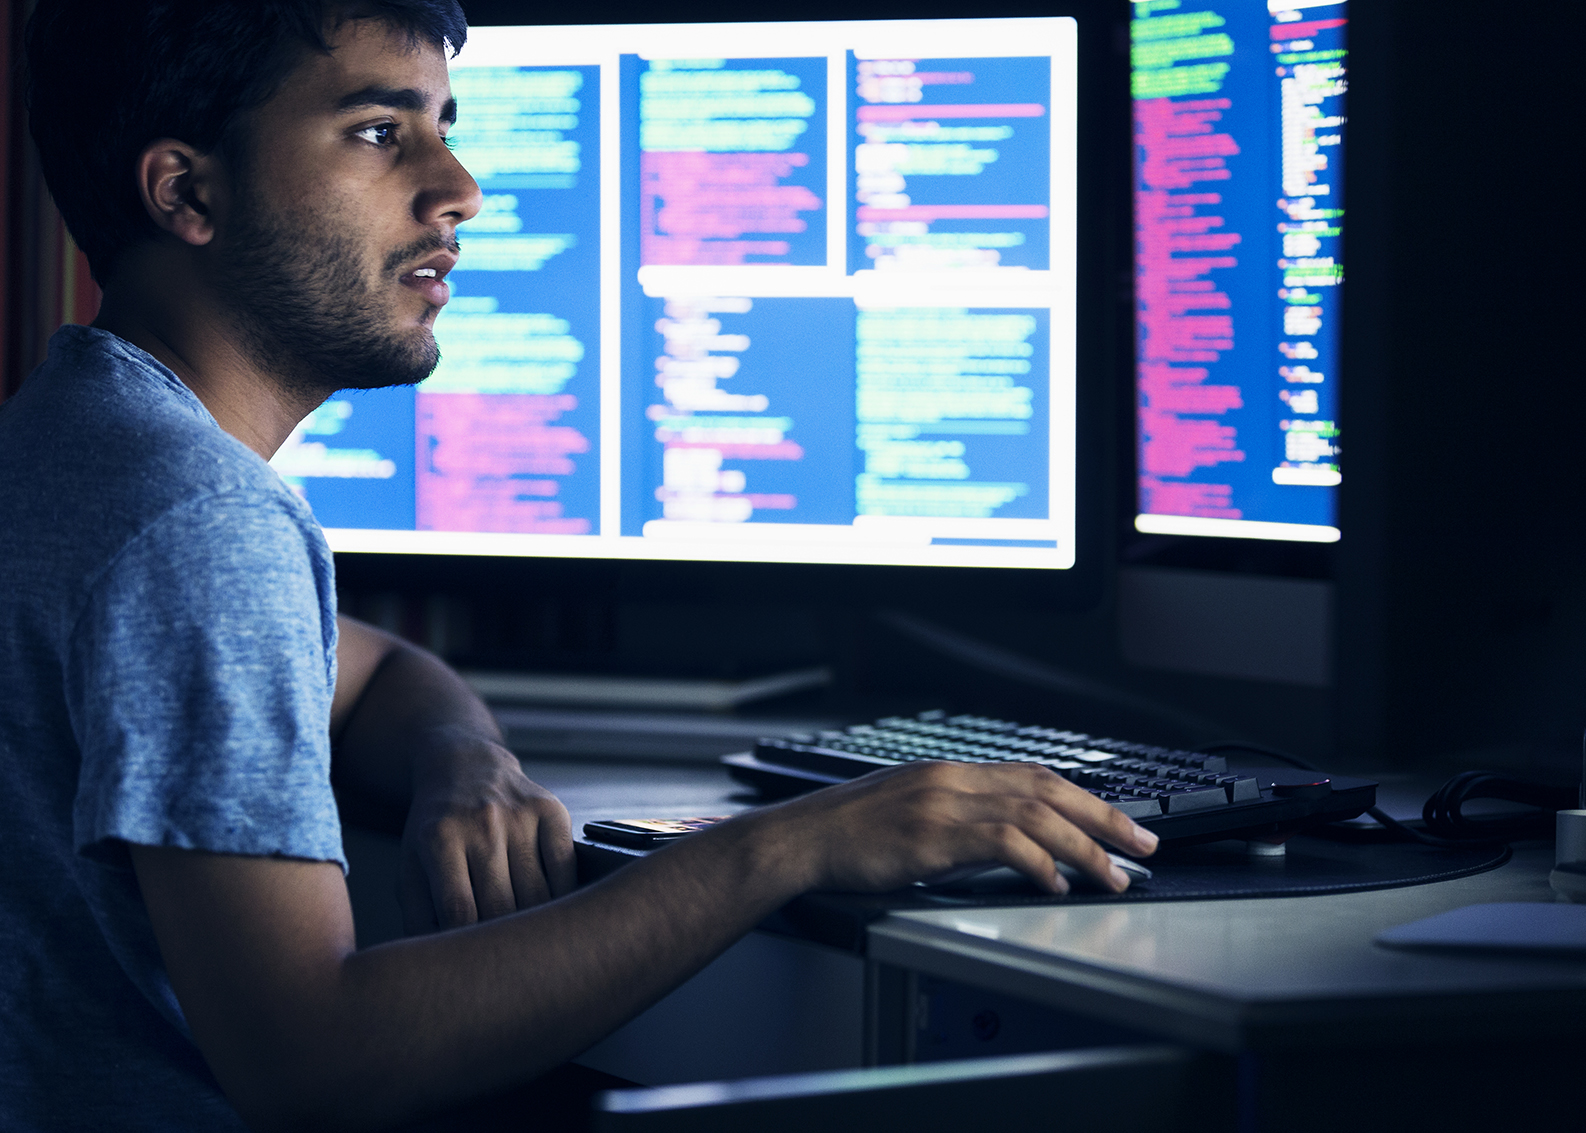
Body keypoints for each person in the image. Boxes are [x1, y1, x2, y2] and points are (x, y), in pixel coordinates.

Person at [0, 2, 1158, 1129]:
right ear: (187, 191)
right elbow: (317, 1061)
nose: (459, 189)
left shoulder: (72, 439)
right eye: (377, 131)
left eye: (443, 126)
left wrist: (468, 757)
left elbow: (373, 666)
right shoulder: (204, 522)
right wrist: (792, 843)